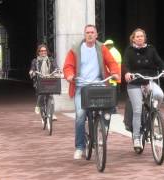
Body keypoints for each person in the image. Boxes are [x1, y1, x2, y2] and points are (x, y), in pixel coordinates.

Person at [63, 24, 120, 159]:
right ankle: (80, 147)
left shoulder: (102, 48)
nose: (89, 34)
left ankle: (102, 128)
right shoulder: (75, 49)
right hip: (81, 86)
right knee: (81, 115)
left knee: (109, 108)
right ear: (84, 34)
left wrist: (115, 73)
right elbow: (68, 66)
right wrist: (70, 75)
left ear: (96, 35)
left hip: (98, 84)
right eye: (87, 32)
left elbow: (112, 63)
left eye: (92, 32)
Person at [124, 28, 164, 152]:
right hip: (135, 83)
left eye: (142, 36)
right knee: (138, 110)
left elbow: (159, 62)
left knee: (159, 94)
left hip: (148, 81)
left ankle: (153, 114)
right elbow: (125, 64)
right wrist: (127, 73)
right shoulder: (129, 51)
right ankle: (136, 138)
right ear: (133, 39)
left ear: (145, 38)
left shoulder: (151, 49)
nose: (140, 38)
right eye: (137, 36)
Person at [29, 44, 58, 120]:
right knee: (41, 93)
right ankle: (38, 105)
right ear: (38, 52)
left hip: (49, 80)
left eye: (45, 51)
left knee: (51, 96)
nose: (43, 52)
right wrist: (32, 72)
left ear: (47, 51)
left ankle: (52, 113)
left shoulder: (51, 59)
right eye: (41, 51)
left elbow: (55, 66)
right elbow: (32, 68)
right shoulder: (35, 61)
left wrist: (58, 70)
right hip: (39, 80)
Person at [104, 39, 122, 113]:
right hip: (116, 75)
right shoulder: (115, 51)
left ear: (109, 45)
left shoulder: (111, 52)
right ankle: (114, 107)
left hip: (112, 76)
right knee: (114, 91)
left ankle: (113, 108)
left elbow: (110, 65)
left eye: (106, 46)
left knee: (112, 92)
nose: (105, 47)